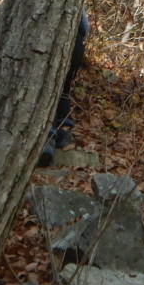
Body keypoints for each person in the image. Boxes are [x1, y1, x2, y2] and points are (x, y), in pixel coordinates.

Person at [38, 10, 89, 167]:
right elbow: (86, 28)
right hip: (77, 44)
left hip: (59, 40)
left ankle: (48, 139)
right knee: (63, 87)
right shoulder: (80, 11)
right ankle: (64, 130)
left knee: (48, 88)